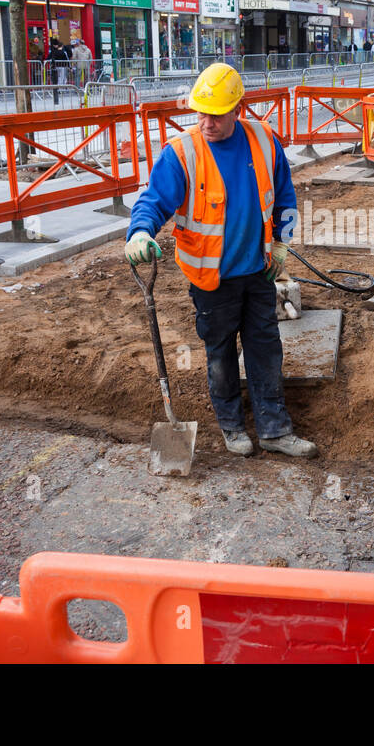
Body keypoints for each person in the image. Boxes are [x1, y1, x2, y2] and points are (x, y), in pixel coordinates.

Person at [123, 62, 316, 459]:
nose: (207, 122)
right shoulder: (183, 152)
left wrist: (282, 242)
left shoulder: (264, 140)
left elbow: (285, 199)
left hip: (258, 271)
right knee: (221, 353)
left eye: (216, 114)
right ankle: (231, 426)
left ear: (238, 109)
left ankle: (274, 429)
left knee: (266, 348)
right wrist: (140, 231)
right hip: (211, 278)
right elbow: (153, 200)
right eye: (201, 113)